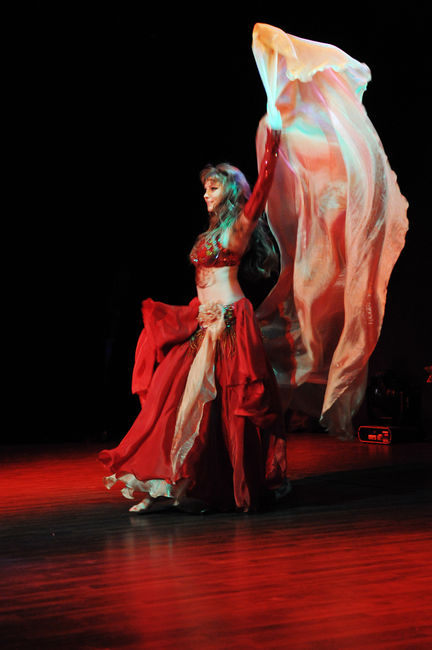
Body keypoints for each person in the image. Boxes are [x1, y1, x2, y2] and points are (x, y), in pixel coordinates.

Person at [98, 122, 292, 513]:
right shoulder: (210, 233)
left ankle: (195, 487)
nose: (205, 194)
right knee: (175, 404)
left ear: (230, 192)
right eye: (205, 188)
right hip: (202, 322)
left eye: (213, 187)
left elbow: (263, 187)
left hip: (229, 324)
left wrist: (274, 139)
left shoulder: (239, 228)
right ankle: (168, 485)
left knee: (220, 410)